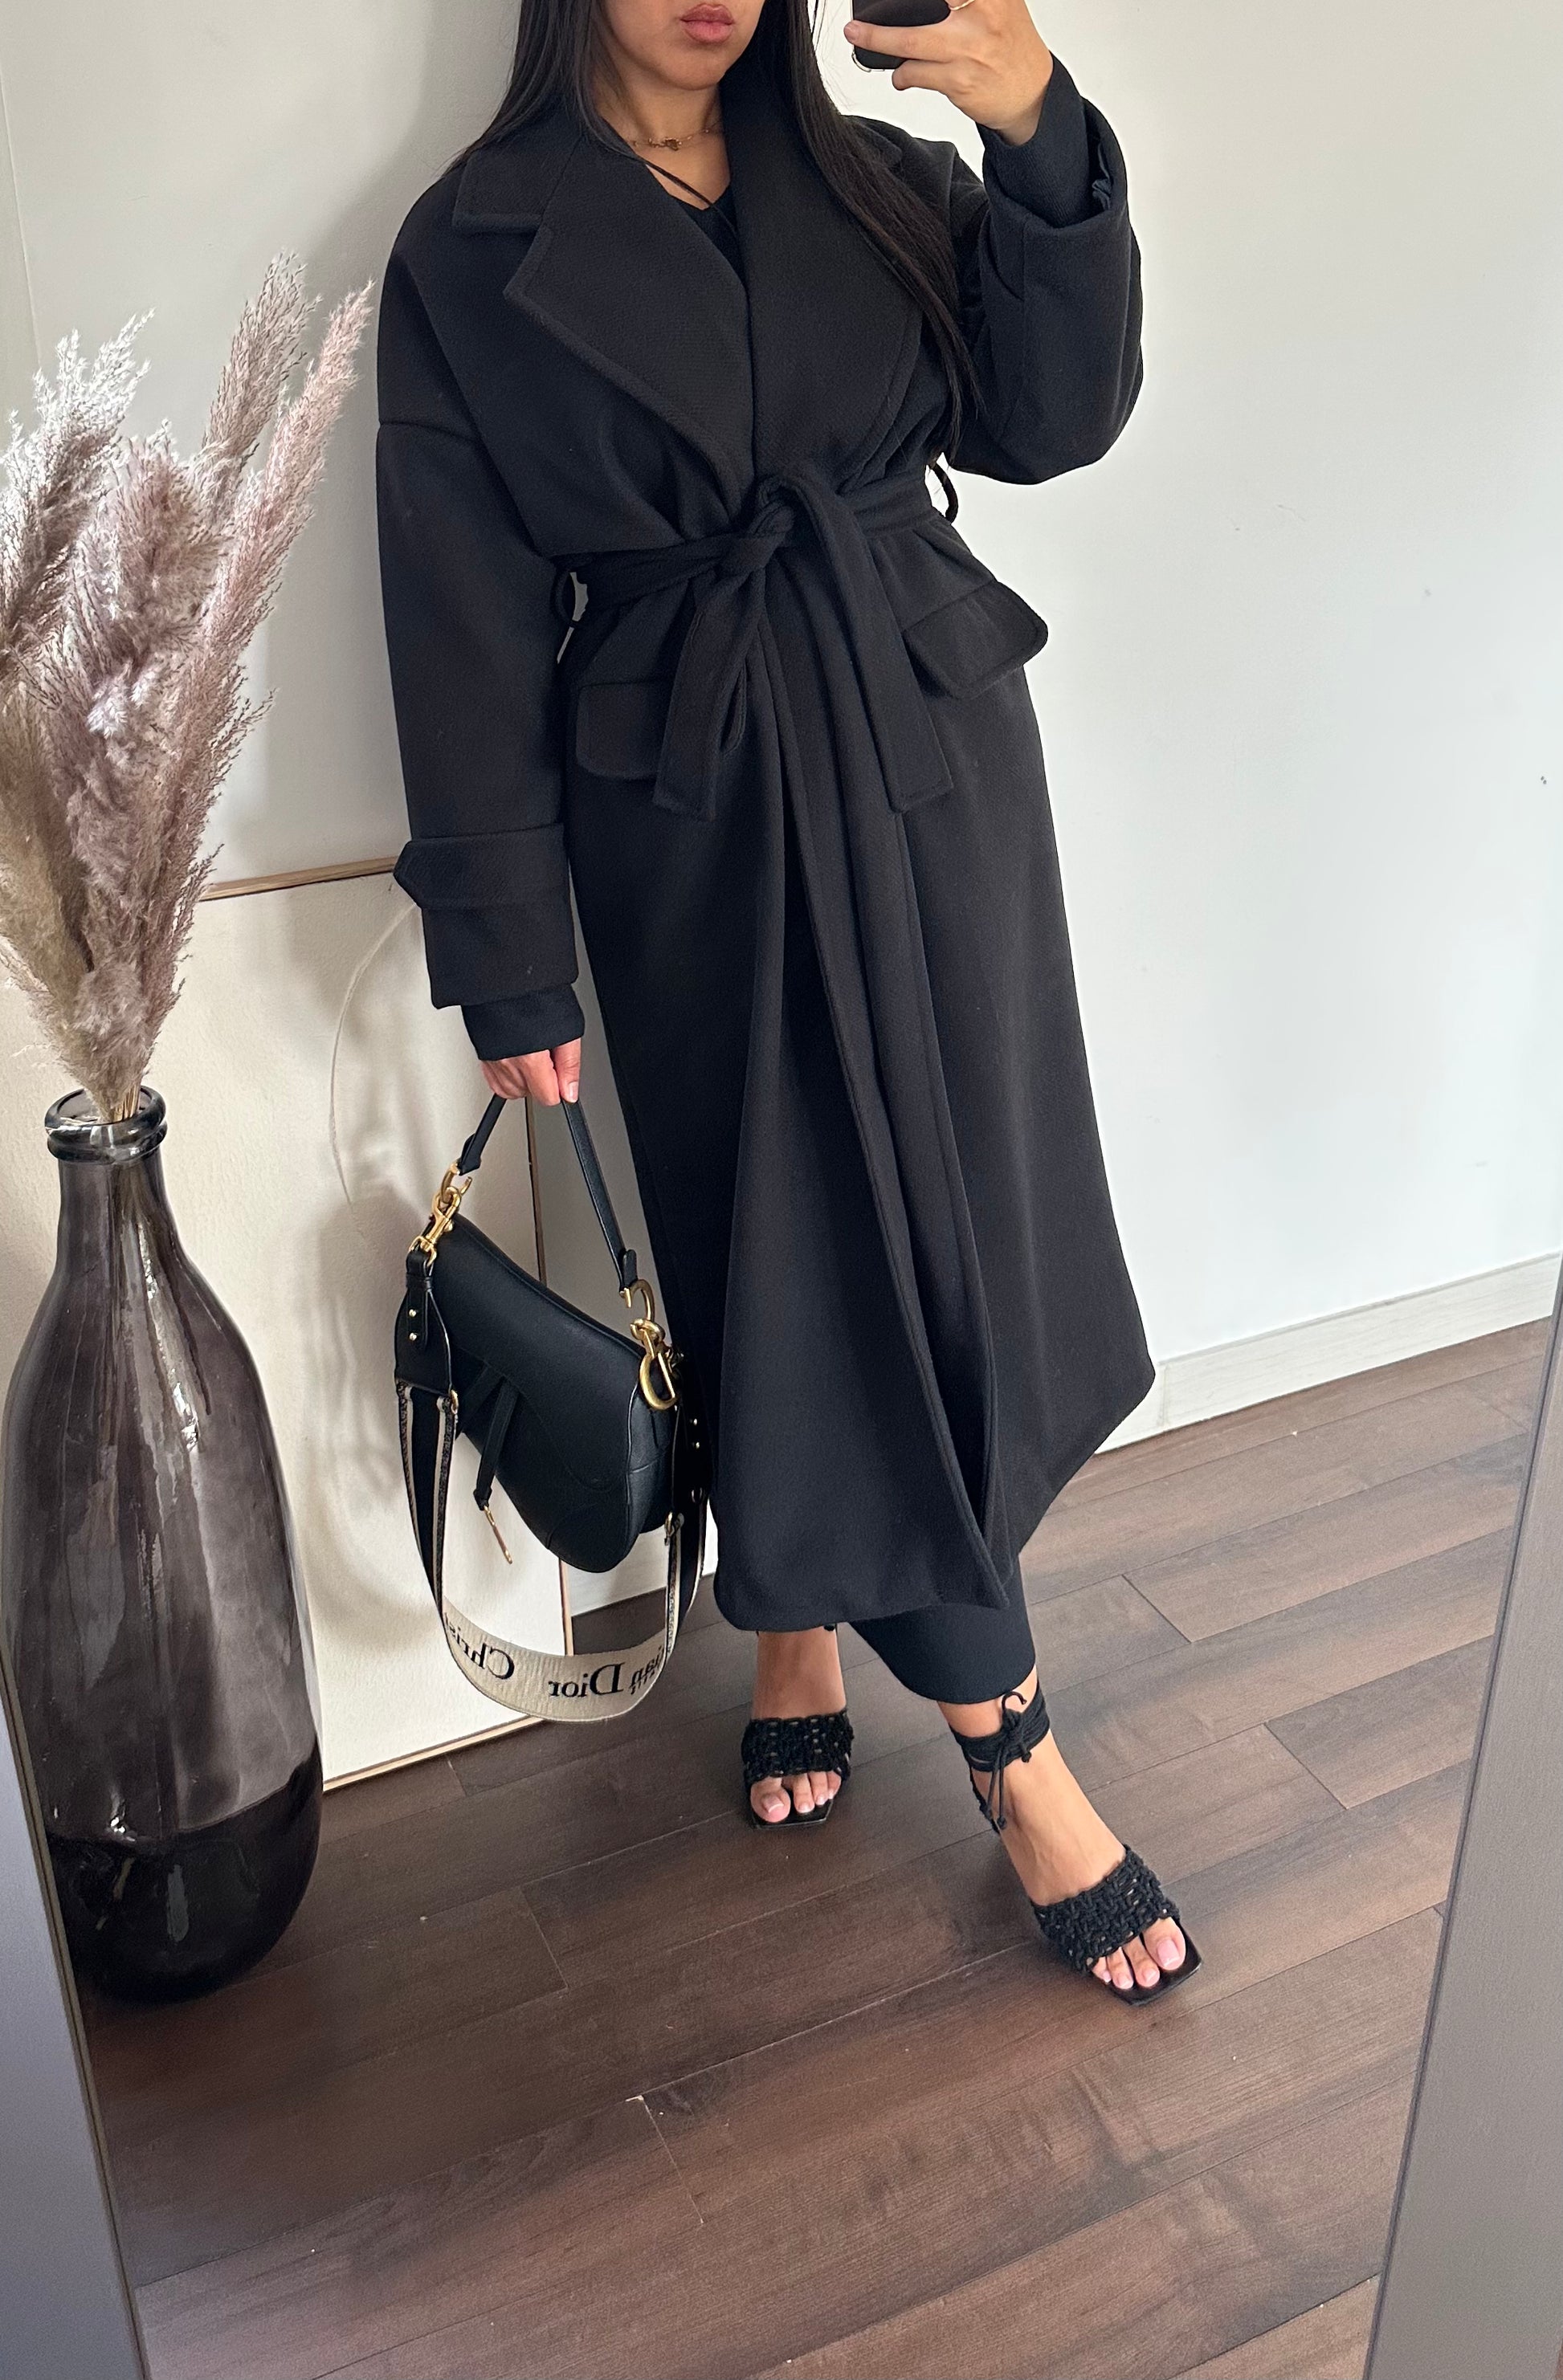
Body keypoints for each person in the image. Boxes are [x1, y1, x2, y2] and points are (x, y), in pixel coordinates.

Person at [377, 0, 1199, 2001]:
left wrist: (1036, 132)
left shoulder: (877, 180)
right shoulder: (471, 243)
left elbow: (1052, 416)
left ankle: (823, 1629)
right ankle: (1005, 1739)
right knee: (780, 1243)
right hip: (697, 810)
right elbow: (458, 613)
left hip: (929, 763)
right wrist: (505, 946)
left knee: (950, 1245)